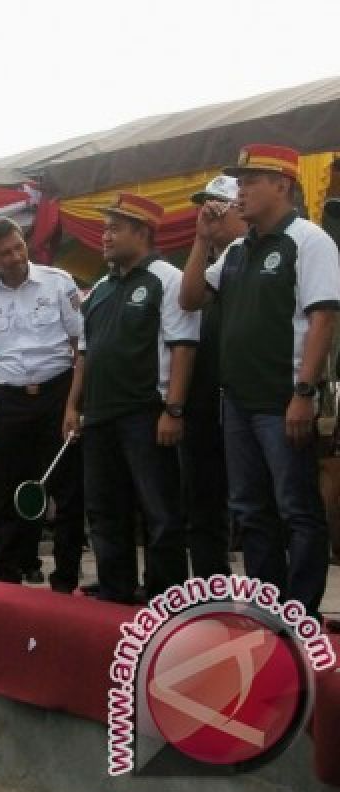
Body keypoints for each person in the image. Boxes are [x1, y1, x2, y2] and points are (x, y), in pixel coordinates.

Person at [180, 145, 340, 617]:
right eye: (240, 181)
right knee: (250, 511)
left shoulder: (308, 241)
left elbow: (323, 319)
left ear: (283, 185)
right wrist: (199, 239)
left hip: (282, 398)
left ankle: (301, 612)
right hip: (238, 402)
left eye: (251, 180)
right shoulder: (234, 250)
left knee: (297, 510)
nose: (240, 191)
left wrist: (304, 392)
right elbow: (189, 299)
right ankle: (268, 607)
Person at [64, 193, 198, 604]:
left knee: (158, 510)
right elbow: (84, 353)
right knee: (105, 508)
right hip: (100, 414)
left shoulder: (166, 278)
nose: (104, 236)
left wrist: (173, 409)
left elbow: (183, 346)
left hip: (145, 411)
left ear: (141, 232)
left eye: (114, 228)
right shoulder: (100, 289)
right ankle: (116, 587)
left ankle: (165, 593)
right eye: (105, 227)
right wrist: (72, 406)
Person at [0, 218, 85, 591]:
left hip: (57, 394)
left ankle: (65, 577)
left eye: (18, 247)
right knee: (8, 488)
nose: (15, 257)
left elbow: (81, 347)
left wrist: (75, 403)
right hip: (8, 400)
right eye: (5, 253)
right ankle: (7, 573)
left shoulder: (58, 282)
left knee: (67, 490)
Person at [181, 175, 246, 578]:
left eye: (220, 207)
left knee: (257, 505)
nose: (211, 215)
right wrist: (202, 240)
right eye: (206, 207)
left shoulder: (253, 259)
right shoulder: (196, 267)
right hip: (201, 399)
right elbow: (185, 306)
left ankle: (273, 595)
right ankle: (211, 589)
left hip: (247, 396)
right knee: (201, 501)